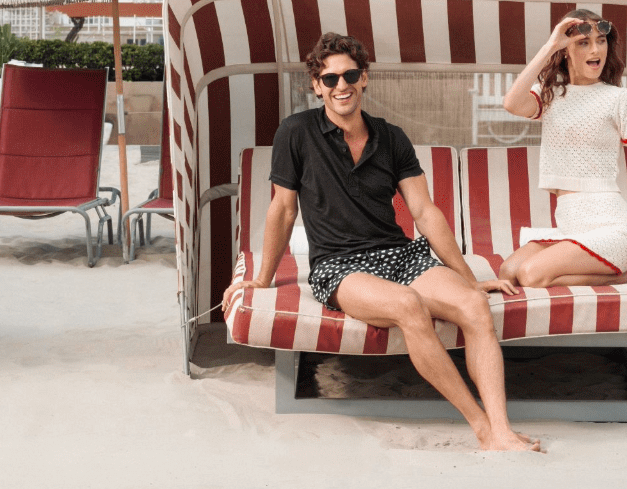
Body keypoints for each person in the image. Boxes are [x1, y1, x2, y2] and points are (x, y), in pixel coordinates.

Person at [221, 32, 539, 453]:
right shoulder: (296, 133)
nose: (341, 86)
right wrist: (262, 279)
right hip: (339, 266)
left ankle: (502, 428)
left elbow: (425, 213)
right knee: (408, 306)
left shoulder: (391, 137)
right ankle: (482, 428)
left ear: (365, 78)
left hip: (399, 254)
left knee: (474, 306)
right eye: (330, 79)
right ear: (316, 85)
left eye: (350, 75)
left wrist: (467, 278)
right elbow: (282, 210)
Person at [497, 10, 627, 288]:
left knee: (530, 275)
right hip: (572, 227)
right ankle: (615, 275)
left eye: (601, 41)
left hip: (614, 228)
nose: (596, 49)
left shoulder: (619, 99)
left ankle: (619, 275)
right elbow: (511, 103)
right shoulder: (550, 94)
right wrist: (551, 44)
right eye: (584, 43)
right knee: (509, 271)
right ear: (566, 50)